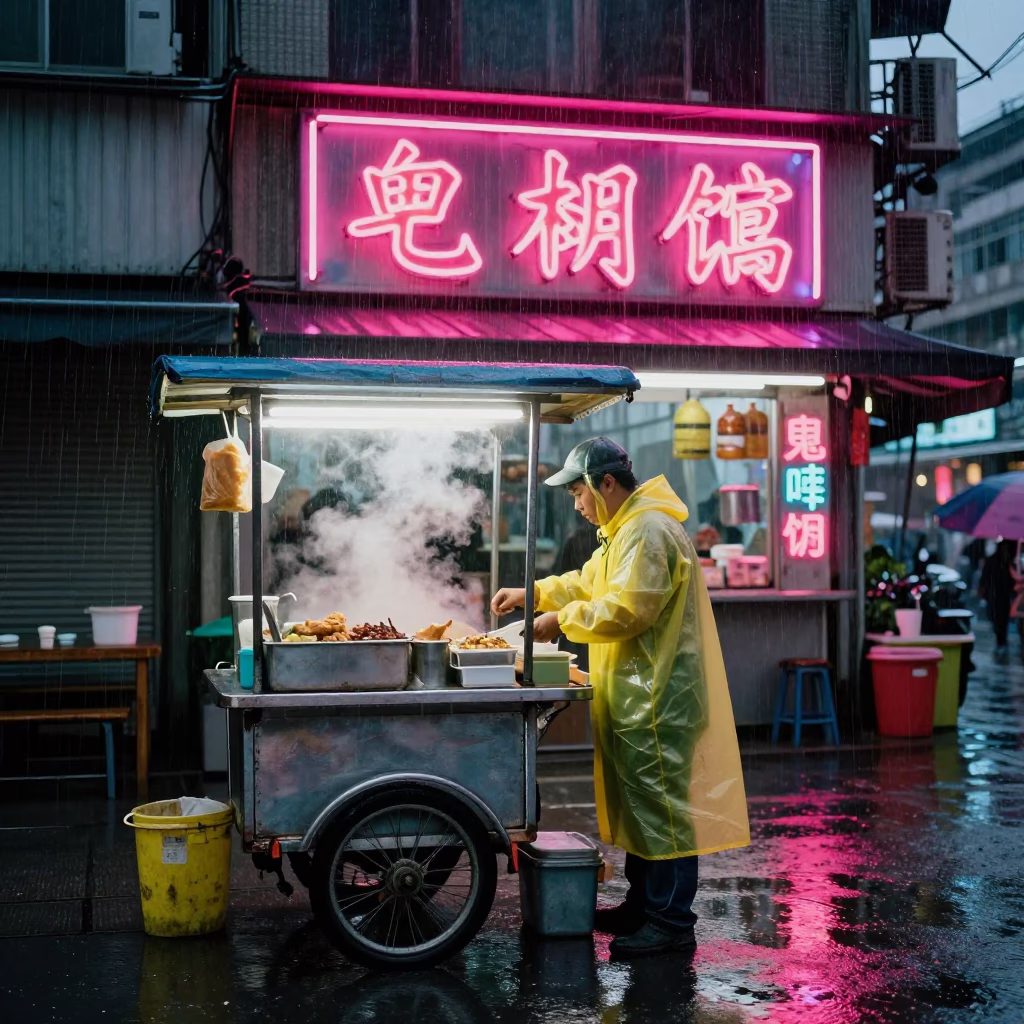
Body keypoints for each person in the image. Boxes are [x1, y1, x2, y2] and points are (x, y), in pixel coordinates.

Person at [492, 437, 749, 959]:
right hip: (638, 695)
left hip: (660, 697)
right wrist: (537, 593)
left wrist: (557, 620)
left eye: (579, 493)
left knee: (666, 813)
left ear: (605, 484)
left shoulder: (648, 531)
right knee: (642, 807)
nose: (577, 504)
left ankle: (671, 920)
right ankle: (644, 905)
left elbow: (628, 610)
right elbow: (590, 584)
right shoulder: (624, 531)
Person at [979, 539, 1019, 663]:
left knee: (997, 619)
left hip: (995, 595)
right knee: (1002, 620)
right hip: (1003, 596)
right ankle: (1002, 641)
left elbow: (984, 578)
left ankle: (1001, 641)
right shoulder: (1009, 563)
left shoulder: (996, 561)